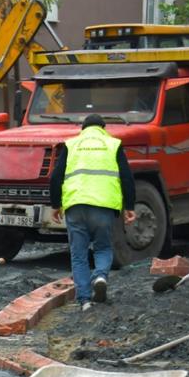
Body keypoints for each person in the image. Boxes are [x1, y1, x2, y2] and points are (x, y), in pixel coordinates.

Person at [49, 114, 135, 311]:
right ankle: (101, 276)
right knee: (103, 247)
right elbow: (127, 177)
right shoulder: (112, 144)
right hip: (103, 205)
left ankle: (85, 300)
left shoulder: (72, 144)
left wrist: (55, 204)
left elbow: (55, 177)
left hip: (75, 205)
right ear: (103, 128)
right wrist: (129, 207)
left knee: (78, 254)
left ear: (83, 129)